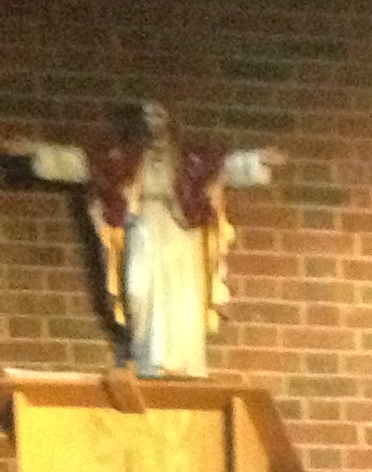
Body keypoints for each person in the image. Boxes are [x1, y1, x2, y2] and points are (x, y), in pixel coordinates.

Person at [7, 103, 278, 379]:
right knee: (138, 290)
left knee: (182, 294)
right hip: (142, 226)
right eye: (147, 118)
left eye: (158, 116)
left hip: (181, 232)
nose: (152, 124)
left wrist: (257, 159)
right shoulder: (124, 160)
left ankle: (181, 363)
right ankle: (147, 356)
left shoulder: (189, 160)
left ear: (170, 122)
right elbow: (83, 163)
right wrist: (36, 151)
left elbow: (223, 166)